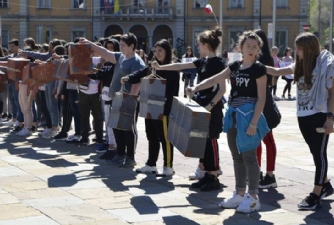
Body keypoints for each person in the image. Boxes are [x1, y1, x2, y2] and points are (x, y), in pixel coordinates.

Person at [264, 32, 334, 210]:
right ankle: (326, 186)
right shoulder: (299, 66)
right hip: (302, 116)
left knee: (319, 154)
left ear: (309, 49)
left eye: (299, 48)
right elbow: (277, 71)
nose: (296, 51)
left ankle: (315, 194)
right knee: (315, 152)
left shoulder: (325, 65)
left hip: (320, 115)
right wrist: (258, 67)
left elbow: (333, 94)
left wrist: (330, 118)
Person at [192, 31, 268, 213]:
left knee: (250, 158)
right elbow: (216, 79)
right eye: (247, 46)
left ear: (258, 49)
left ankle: (253, 197)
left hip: (249, 116)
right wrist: (196, 87)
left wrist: (254, 123)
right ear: (240, 48)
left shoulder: (258, 69)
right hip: (233, 114)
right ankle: (240, 193)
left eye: (254, 47)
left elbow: (262, 98)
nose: (251, 49)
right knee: (237, 157)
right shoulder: (234, 66)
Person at [153, 27, 226, 191]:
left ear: (206, 45)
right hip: (201, 108)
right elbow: (179, 66)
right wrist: (160, 68)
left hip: (212, 109)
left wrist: (211, 105)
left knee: (211, 141)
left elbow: (222, 89)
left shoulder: (218, 63)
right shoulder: (204, 62)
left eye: (199, 45)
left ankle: (213, 175)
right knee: (203, 141)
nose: (198, 48)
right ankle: (207, 174)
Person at [79, 33, 146, 167]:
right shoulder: (121, 56)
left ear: (132, 46)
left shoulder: (137, 62)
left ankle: (130, 157)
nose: (120, 47)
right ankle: (120, 153)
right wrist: (89, 43)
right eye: (120, 45)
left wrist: (130, 99)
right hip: (115, 98)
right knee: (116, 126)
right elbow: (105, 53)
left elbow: (138, 83)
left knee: (127, 129)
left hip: (127, 100)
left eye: (123, 45)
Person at [123, 39, 180, 176]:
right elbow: (141, 73)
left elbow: (172, 91)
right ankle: (151, 164)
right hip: (150, 107)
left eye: (161, 50)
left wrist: (167, 108)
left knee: (165, 138)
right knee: (151, 136)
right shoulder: (153, 66)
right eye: (156, 50)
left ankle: (168, 167)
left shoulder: (172, 68)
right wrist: (128, 78)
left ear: (168, 51)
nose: (158, 53)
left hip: (164, 109)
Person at [254, 30, 279, 189]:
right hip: (259, 102)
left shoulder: (261, 61)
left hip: (264, 104)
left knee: (266, 140)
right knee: (259, 141)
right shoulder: (264, 59)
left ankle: (269, 176)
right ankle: (262, 173)